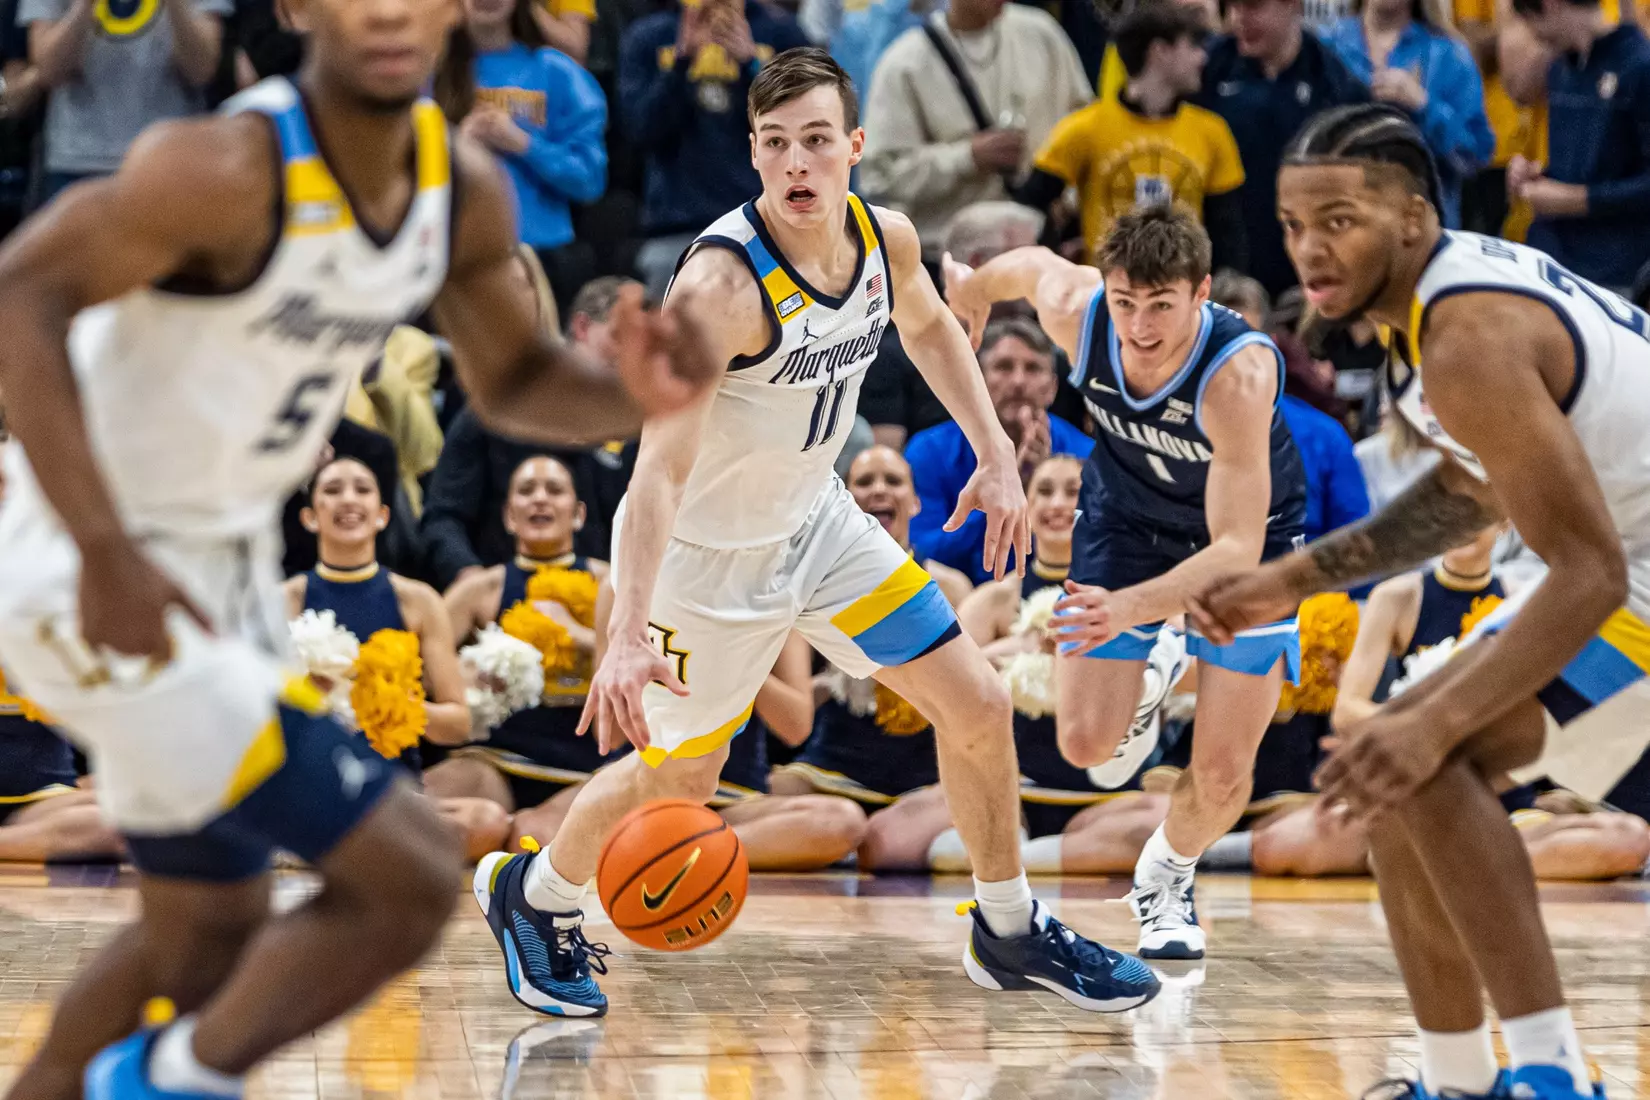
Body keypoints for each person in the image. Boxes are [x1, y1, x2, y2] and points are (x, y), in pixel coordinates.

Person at [0, 0, 718, 1084]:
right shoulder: (223, 163)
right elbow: (20, 292)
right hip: (90, 543)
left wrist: (630, 390)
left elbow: (517, 377)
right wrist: (104, 550)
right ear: (298, 8)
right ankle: (173, 1080)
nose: (387, 7)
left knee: (204, 929)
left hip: (220, 555)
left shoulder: (459, 190)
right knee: (412, 874)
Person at [472, 46, 1161, 1020]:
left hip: (819, 523)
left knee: (977, 701)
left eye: (819, 142)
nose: (799, 163)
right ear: (754, 154)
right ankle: (533, 895)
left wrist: (997, 453)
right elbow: (656, 474)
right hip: (703, 564)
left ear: (855, 147)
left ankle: (1006, 927)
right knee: (682, 775)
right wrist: (625, 628)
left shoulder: (888, 239)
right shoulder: (721, 289)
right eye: (778, 143)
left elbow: (928, 330)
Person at [1187, 102, 1650, 1100]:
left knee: (1422, 749)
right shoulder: (1440, 298)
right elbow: (1471, 486)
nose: (1311, 249)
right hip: (1628, 564)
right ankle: (1453, 1078)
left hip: (1632, 575)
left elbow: (1593, 573)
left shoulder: (1467, 335)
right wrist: (1287, 577)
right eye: (1295, 223)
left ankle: (1553, 1076)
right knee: (1395, 761)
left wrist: (1430, 718)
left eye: (1340, 220)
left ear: (1411, 217)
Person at [944, 205, 1307, 962]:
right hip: (1125, 522)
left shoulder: (1239, 372)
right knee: (1085, 744)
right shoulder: (1080, 313)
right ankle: (1156, 661)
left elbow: (1235, 547)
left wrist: (1133, 611)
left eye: (1162, 306)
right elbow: (1029, 263)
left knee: (1221, 769)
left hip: (1248, 541)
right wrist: (974, 290)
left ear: (1201, 293)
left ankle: (1168, 877)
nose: (1141, 327)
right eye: (1126, 303)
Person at [932, 454, 1182, 878]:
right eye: (1045, 491)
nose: (1059, 503)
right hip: (1017, 793)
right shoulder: (996, 600)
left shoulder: (1136, 597)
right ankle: (1028, 854)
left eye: (1075, 491)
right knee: (914, 837)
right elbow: (950, 688)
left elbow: (1183, 662)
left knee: (1162, 826)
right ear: (1025, 508)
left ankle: (1020, 863)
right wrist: (1025, 645)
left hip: (1110, 799)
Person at [282, 457, 510, 861]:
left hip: (394, 791)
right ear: (310, 517)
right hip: (309, 784)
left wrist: (394, 706)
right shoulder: (287, 599)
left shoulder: (418, 601)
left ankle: (343, 849)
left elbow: (457, 723)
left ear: (383, 515)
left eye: (362, 489)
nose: (348, 500)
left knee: (487, 821)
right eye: (332, 490)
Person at [769, 445, 967, 860]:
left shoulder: (950, 588)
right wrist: (830, 683)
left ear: (915, 501)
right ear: (845, 500)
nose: (879, 490)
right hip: (832, 765)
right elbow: (796, 697)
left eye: (893, 481)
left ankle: (859, 844)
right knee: (764, 794)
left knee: (972, 798)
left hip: (922, 774)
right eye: (864, 482)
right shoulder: (814, 584)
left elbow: (967, 692)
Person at [428, 455, 621, 848]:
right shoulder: (481, 589)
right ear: (508, 515)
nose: (540, 499)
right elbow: (420, 674)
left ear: (579, 513)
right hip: (496, 757)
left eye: (554, 490)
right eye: (526, 490)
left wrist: (580, 637)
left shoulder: (612, 583)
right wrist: (465, 675)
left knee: (534, 840)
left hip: (589, 761)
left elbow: (645, 661)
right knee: (412, 809)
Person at [1021, 3, 1249, 271]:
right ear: (1159, 51)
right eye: (1192, 46)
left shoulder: (1212, 132)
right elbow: (1028, 208)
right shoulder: (1084, 129)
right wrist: (1055, 263)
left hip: (1185, 293)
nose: (1202, 57)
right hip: (1105, 293)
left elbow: (1229, 237)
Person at [857, 0, 1091, 261]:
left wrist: (1070, 205)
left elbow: (1087, 131)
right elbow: (879, 175)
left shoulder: (1041, 34)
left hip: (1043, 251)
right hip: (949, 262)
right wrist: (967, 157)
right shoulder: (906, 63)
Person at [618, 0, 810, 300]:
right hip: (675, 230)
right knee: (673, 345)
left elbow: (804, 128)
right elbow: (640, 129)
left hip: (764, 226)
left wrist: (752, 65)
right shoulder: (648, 37)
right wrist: (682, 62)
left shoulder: (780, 33)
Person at [1194, 0, 1369, 296]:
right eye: (1232, 8)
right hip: (1225, 273)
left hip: (1304, 272)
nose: (1239, 19)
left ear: (1293, 6)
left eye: (1253, 8)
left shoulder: (1332, 81)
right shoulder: (1207, 69)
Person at [906, 318, 1093, 584]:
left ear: (1052, 388)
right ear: (977, 381)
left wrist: (1041, 487)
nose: (1018, 381)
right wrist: (1000, 496)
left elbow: (1102, 548)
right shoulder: (929, 452)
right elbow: (924, 554)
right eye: (1004, 367)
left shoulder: (1086, 454)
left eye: (1032, 368)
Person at [464, 0, 608, 313]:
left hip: (545, 253)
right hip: (455, 256)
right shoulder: (427, 73)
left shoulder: (556, 71)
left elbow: (590, 180)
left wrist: (522, 143)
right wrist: (459, 146)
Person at [20, 0, 228, 204]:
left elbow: (202, 70)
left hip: (170, 160)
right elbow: (48, 71)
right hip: (79, 162)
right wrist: (83, 7)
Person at [1508, 0, 1650, 291]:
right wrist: (1539, 177)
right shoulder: (1561, 69)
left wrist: (1576, 200)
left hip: (1618, 277)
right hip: (1554, 263)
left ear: (1551, 5)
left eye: (1532, 22)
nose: (1534, 37)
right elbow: (1583, 164)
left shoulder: (1640, 67)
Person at [1322, 0, 1494, 228]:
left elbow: (1476, 153)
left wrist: (1423, 105)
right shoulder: (1325, 47)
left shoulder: (1448, 54)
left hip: (1422, 233)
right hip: (1340, 227)